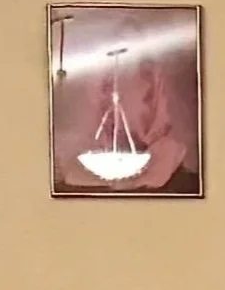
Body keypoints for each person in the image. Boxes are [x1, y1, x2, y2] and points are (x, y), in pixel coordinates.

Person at [55, 16, 197, 194]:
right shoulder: (104, 78)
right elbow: (96, 115)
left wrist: (145, 143)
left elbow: (159, 115)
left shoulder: (150, 75)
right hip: (108, 148)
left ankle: (132, 176)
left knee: (165, 156)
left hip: (142, 147)